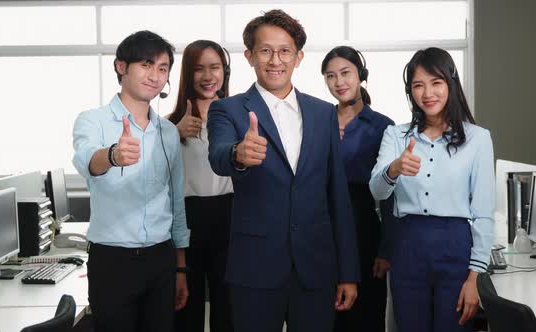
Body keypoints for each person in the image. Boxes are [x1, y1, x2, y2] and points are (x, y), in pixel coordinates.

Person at [207, 9, 360, 332]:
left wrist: (348, 271)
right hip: (255, 268)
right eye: (265, 50)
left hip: (316, 268)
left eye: (285, 50)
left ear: (299, 56)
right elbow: (218, 156)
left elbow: (337, 197)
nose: (275, 60)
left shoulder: (323, 114)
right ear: (249, 56)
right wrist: (239, 153)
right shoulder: (228, 109)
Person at [369, 47, 495, 332]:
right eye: (418, 85)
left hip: (456, 246)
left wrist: (475, 278)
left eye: (436, 83)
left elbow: (484, 212)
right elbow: (377, 191)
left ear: (450, 84)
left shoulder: (477, 139)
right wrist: (395, 168)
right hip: (407, 247)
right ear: (410, 91)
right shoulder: (396, 136)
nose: (428, 93)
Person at [72, 30, 190, 332]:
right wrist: (112, 155)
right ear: (121, 66)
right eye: (146, 64)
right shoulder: (92, 120)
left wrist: (180, 268)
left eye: (163, 69)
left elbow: (176, 201)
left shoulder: (167, 132)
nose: (155, 75)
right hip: (113, 261)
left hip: (161, 258)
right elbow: (87, 161)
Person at [321, 46, 396, 332]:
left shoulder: (382, 127)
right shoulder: (318, 121)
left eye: (345, 73)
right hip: (322, 231)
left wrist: (386, 248)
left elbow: (391, 195)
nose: (338, 82)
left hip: (364, 229)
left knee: (365, 316)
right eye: (330, 76)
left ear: (361, 76)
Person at [168, 40, 234, 332]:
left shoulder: (238, 117)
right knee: (186, 310)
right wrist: (173, 133)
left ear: (225, 71)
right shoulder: (169, 125)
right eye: (199, 69)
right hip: (188, 220)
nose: (208, 76)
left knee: (228, 310)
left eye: (215, 67)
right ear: (187, 74)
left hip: (230, 217)